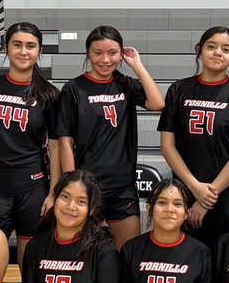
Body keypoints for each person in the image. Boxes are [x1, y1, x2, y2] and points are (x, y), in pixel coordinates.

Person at [56, 26, 164, 251]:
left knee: (127, 254)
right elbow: (64, 141)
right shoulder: (73, 89)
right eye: (98, 53)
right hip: (86, 185)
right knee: (82, 254)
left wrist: (137, 65)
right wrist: (72, 183)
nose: (105, 60)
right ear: (88, 53)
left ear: (121, 54)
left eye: (112, 53)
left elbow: (157, 103)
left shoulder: (125, 84)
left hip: (121, 186)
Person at [0, 22, 61, 264]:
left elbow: (56, 146)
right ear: (6, 48)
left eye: (31, 46)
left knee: (30, 258)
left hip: (33, 189)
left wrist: (54, 191)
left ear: (39, 51)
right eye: (17, 45)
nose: (23, 51)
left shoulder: (50, 95)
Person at [158, 26, 229, 256]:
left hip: (226, 195)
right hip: (184, 191)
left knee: (225, 262)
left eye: (226, 49)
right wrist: (194, 187)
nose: (217, 52)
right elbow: (167, 146)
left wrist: (206, 200)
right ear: (199, 51)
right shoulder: (178, 89)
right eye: (211, 46)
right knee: (185, 261)